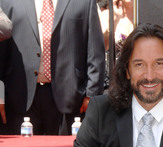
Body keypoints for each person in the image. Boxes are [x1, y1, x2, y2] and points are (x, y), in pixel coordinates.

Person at [0, 0, 105, 135]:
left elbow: (95, 51)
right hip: (20, 98)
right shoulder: (8, 2)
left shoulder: (84, 2)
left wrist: (92, 95)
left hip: (71, 99)